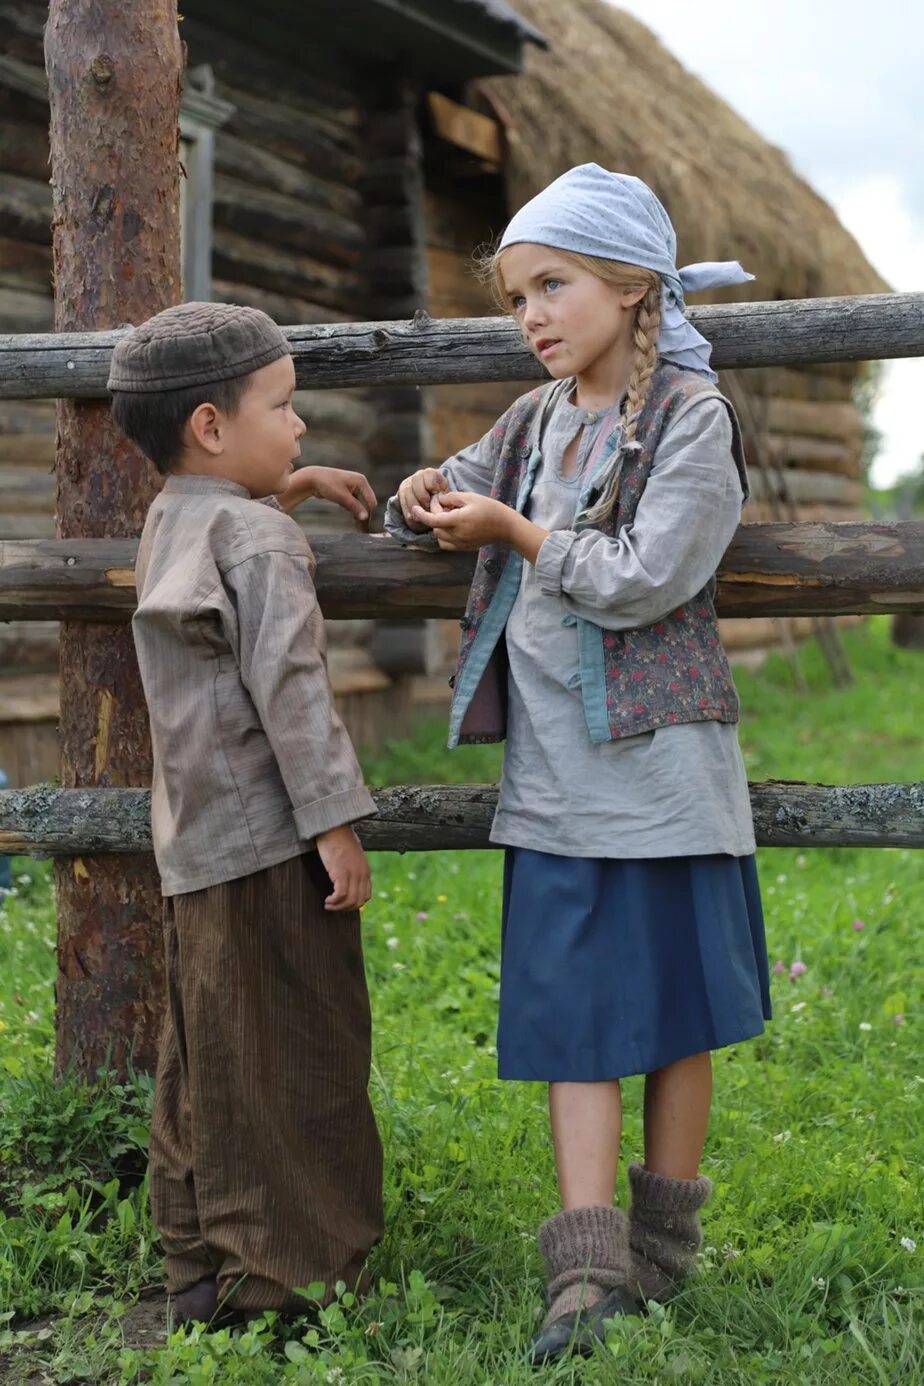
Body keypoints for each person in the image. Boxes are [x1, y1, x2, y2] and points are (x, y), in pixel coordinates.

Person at [386, 165, 772, 1364]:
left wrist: (511, 532)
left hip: (659, 775)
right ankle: (587, 1272)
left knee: (674, 1015)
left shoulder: (691, 420)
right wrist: (427, 495)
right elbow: (466, 484)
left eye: (552, 285)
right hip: (554, 781)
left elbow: (648, 574)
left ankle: (662, 1248)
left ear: (629, 282)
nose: (533, 316)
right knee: (572, 1021)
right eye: (515, 299)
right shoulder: (537, 418)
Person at [108, 302, 383, 1325]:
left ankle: (196, 1267)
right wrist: (335, 828)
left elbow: (214, 550)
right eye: (285, 408)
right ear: (213, 427)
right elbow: (292, 693)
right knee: (297, 1054)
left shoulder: (171, 516)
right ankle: (288, 1281)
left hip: (193, 840)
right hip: (273, 845)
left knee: (206, 1053)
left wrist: (284, 489)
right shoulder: (259, 540)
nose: (301, 428)